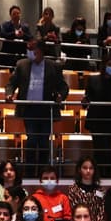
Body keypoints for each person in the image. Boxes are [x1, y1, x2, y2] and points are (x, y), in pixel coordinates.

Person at [6, 37, 67, 174]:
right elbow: (11, 83)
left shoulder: (53, 66)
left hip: (46, 109)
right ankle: (29, 173)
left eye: (32, 49)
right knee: (32, 140)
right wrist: (9, 94)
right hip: (29, 109)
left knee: (45, 142)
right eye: (28, 49)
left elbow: (63, 87)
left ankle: (43, 173)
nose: (30, 52)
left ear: (41, 50)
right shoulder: (21, 64)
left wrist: (60, 96)